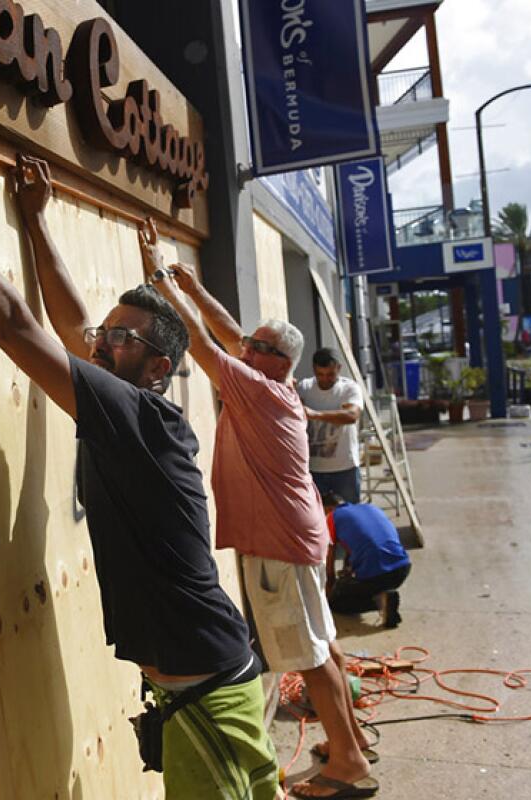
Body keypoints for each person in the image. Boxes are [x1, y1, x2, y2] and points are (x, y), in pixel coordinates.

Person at [0, 111, 279, 800]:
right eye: (107, 334)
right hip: (196, 690)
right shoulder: (129, 401)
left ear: (159, 366)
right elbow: (76, 328)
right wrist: (37, 223)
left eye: (123, 340)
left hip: (209, 697)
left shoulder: (138, 416)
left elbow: (19, 327)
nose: (103, 343)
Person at [139, 235, 377, 800]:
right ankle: (353, 741)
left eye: (256, 346)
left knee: (307, 654)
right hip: (297, 535)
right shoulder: (275, 381)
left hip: (277, 544)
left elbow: (201, 340)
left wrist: (159, 279)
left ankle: (348, 766)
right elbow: (228, 333)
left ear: (275, 360)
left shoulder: (258, 388)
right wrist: (194, 285)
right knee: (324, 643)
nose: (244, 348)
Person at [322, 494, 410, 629]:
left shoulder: (331, 518)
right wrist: (349, 570)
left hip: (377, 574)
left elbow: (330, 566)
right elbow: (359, 543)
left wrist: (330, 594)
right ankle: (384, 596)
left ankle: (379, 600)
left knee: (337, 602)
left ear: (327, 509)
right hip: (401, 569)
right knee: (365, 582)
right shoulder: (369, 508)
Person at [297, 349, 363, 505]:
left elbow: (352, 416)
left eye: (330, 375)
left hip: (345, 469)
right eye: (320, 374)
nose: (325, 379)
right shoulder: (305, 387)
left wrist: (315, 414)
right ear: (314, 369)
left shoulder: (349, 388)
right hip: (314, 469)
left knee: (350, 517)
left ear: (339, 369)